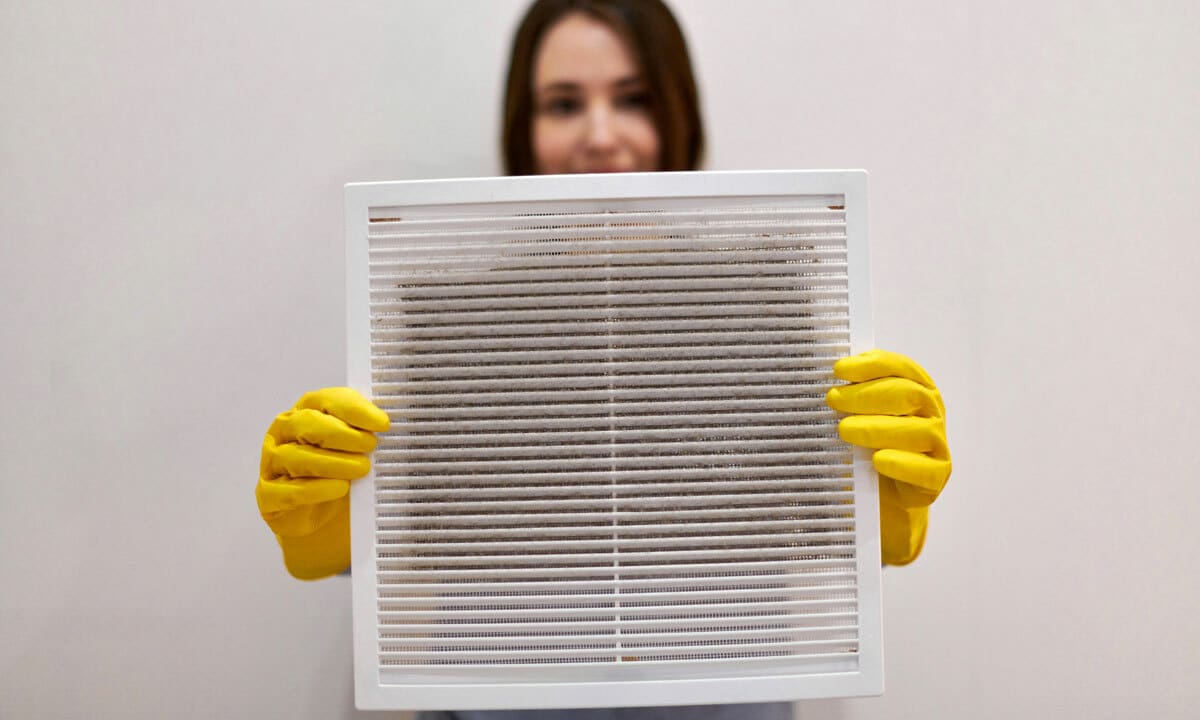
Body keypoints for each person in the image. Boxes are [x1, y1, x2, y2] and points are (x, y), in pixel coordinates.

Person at [255, 1, 952, 718]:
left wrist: (866, 505)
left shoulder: (763, 308)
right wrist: (346, 523)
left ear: (678, 113)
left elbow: (806, 521)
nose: (600, 136)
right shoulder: (452, 324)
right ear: (522, 130)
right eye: (563, 104)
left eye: (634, 98)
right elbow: (413, 523)